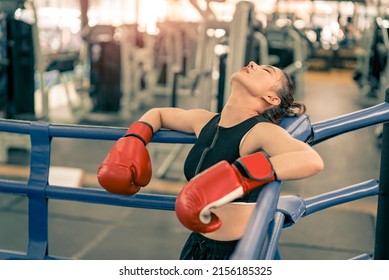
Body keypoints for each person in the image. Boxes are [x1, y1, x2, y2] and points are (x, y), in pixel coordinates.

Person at [97, 61, 324, 260]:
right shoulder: (204, 121)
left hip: (238, 252)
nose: (253, 63)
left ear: (271, 98)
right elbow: (159, 114)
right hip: (197, 245)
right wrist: (135, 139)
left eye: (266, 70)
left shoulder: (259, 131)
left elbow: (311, 160)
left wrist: (239, 176)